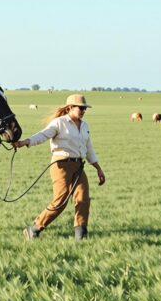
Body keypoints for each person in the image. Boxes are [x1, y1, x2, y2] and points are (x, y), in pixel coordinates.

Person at [12, 94, 105, 240]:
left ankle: (81, 236)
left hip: (79, 166)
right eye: (80, 108)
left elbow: (89, 149)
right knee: (60, 202)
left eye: (84, 108)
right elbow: (43, 135)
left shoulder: (85, 125)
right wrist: (26, 142)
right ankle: (34, 228)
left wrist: (98, 168)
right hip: (61, 166)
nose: (83, 111)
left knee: (83, 200)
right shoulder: (59, 123)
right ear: (70, 108)